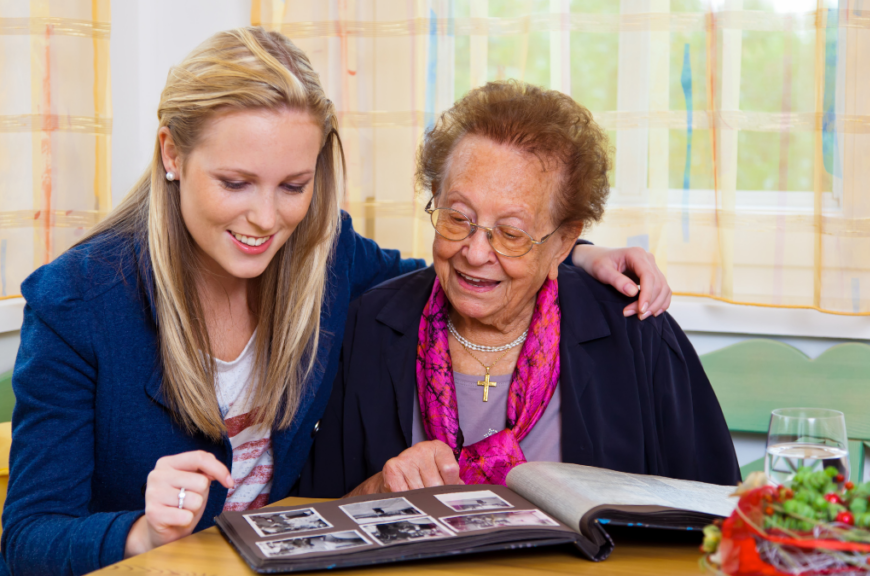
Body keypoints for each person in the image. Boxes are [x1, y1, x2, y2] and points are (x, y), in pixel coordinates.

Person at [0, 28, 674, 575]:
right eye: (235, 182)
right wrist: (142, 531)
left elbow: (452, 272)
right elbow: (28, 539)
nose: (265, 219)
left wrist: (572, 254)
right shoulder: (78, 298)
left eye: (293, 184)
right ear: (172, 153)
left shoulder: (323, 253)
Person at [298, 81, 740, 499]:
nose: (474, 252)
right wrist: (377, 493)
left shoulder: (636, 332)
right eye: (457, 217)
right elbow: (310, 519)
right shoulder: (369, 328)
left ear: (564, 241)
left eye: (510, 233)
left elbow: (716, 515)